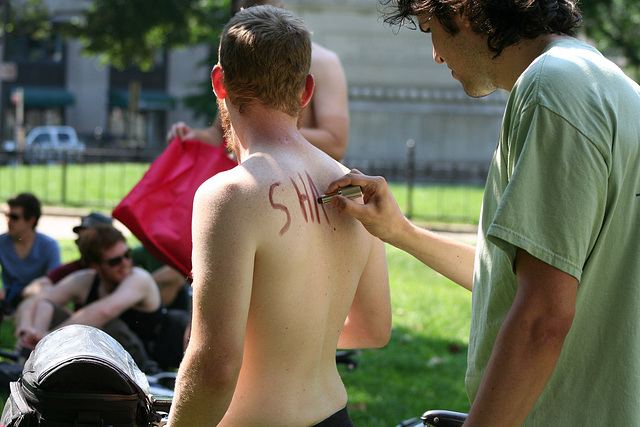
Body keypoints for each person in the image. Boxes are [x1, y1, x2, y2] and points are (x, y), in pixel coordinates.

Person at [324, 0, 640, 425]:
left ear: (464, 13)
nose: (435, 53)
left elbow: (542, 318)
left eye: (428, 28)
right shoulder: (611, 86)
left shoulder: (552, 89)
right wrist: (399, 231)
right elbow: (524, 280)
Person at [167, 6, 391, 426]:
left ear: (219, 82)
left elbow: (215, 367)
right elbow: (375, 328)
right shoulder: (354, 187)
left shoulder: (231, 195)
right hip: (333, 417)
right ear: (306, 91)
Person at [166, 0, 350, 161]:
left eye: (266, 17)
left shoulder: (323, 62)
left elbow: (335, 144)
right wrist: (192, 136)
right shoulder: (239, 55)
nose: (259, 27)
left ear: (282, 12)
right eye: (247, 18)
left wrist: (263, 128)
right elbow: (220, 132)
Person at [15, 225, 189, 372]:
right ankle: (31, 362)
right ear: (95, 265)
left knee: (106, 326)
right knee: (46, 306)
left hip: (140, 360)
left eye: (127, 255)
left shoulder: (138, 278)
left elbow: (103, 312)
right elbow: (36, 300)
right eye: (114, 261)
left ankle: (39, 354)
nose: (125, 264)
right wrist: (26, 327)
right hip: (103, 355)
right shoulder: (85, 280)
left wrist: (48, 340)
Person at [21, 211, 113, 299]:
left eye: (90, 241)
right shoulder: (77, 268)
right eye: (79, 241)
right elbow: (32, 289)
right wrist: (57, 294)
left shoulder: (119, 268)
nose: (82, 247)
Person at [0, 193, 60, 312]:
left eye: (14, 217)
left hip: (36, 298)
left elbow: (53, 282)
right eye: (7, 215)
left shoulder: (49, 246)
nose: (9, 221)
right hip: (6, 298)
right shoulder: (2, 242)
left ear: (31, 220)